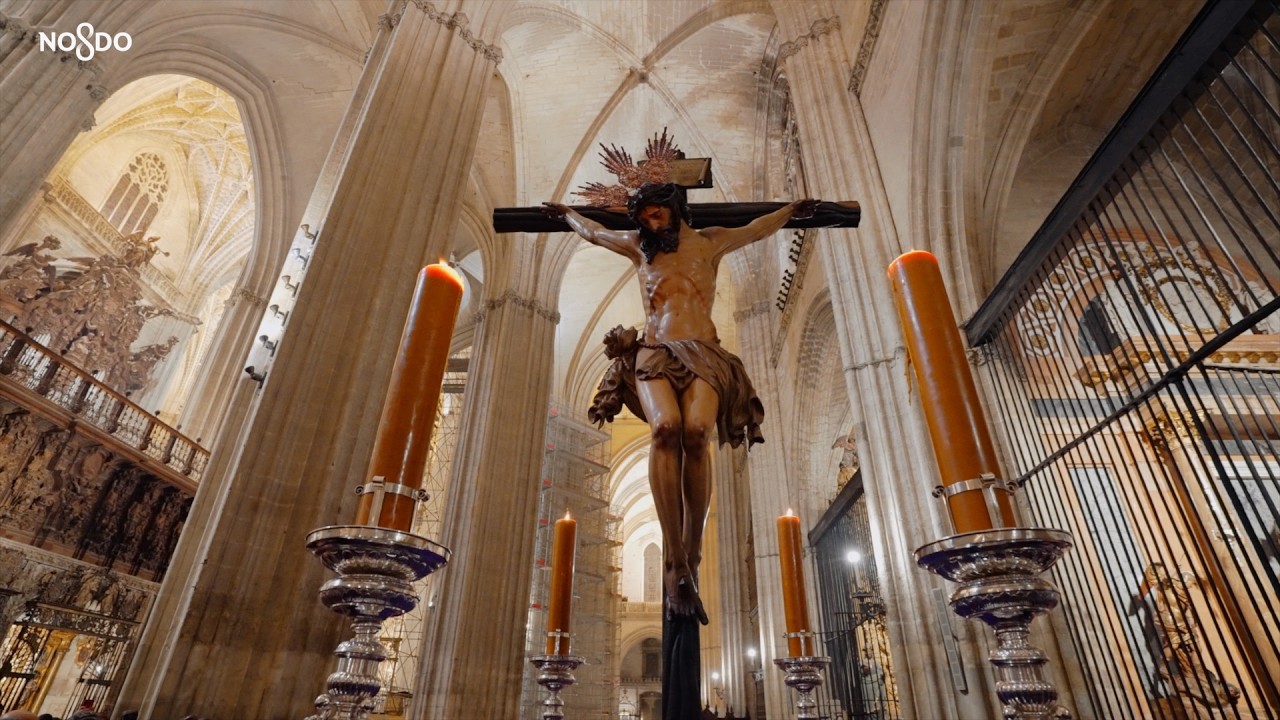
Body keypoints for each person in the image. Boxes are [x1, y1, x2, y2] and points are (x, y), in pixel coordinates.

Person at [545, 183, 817, 621]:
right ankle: (672, 556)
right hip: (655, 350)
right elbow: (594, 233)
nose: (650, 223)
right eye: (645, 217)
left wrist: (791, 209)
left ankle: (692, 557)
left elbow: (757, 229)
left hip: (703, 351)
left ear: (675, 211)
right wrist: (565, 215)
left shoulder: (710, 241)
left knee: (696, 434)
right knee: (665, 428)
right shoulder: (639, 248)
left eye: (657, 215)